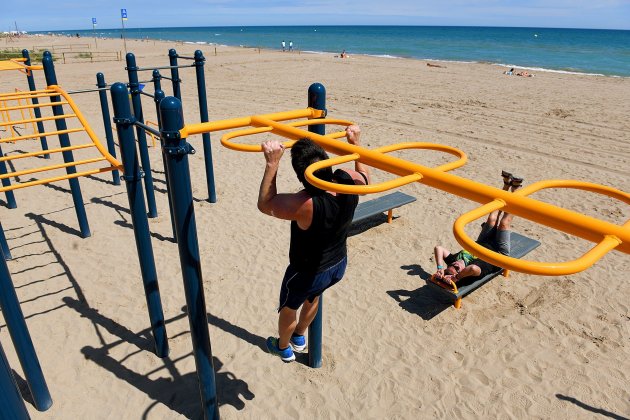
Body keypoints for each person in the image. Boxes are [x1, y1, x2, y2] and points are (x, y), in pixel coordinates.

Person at [258, 125, 370, 362]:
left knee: (289, 308)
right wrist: (355, 144)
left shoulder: (305, 204)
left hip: (306, 271)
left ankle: (283, 347)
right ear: (327, 163)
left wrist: (272, 164)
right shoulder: (346, 180)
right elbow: (367, 179)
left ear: (301, 176)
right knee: (313, 297)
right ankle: (300, 335)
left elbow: (266, 204)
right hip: (337, 264)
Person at [432, 171, 523, 288]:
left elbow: (438, 248)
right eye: (456, 268)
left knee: (491, 218)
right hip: (498, 254)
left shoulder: (454, 260)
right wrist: (456, 278)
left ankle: (506, 186)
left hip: (482, 242)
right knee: (504, 223)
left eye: (450, 266)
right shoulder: (473, 270)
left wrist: (440, 268)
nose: (454, 264)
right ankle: (517, 190)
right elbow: (473, 269)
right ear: (461, 272)